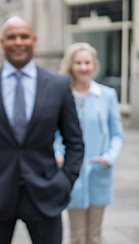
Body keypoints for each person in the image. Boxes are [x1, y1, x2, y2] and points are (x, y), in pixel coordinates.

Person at [0, 16, 84, 244]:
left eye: (24, 36)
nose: (18, 42)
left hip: (46, 194)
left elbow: (75, 142)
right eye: (11, 37)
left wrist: (65, 181)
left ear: (34, 40)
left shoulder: (59, 85)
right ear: (1, 43)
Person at [55, 42, 124, 244]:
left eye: (87, 62)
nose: (83, 67)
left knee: (94, 236)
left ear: (94, 65)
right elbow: (53, 133)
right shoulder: (63, 95)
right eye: (78, 63)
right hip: (71, 173)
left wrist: (108, 158)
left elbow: (117, 134)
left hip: (99, 171)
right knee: (76, 236)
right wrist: (58, 154)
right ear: (70, 65)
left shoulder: (107, 95)